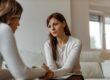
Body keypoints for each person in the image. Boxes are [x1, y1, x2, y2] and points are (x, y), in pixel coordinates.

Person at [0, 0, 52, 80]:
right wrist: (43, 70)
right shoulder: (3, 29)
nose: (18, 24)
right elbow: (22, 75)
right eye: (18, 18)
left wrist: (31, 71)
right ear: (11, 17)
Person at [44, 12, 84, 80]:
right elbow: (51, 67)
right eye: (49, 26)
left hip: (73, 76)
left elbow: (68, 68)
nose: (52, 28)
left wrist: (53, 74)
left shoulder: (76, 43)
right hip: (56, 76)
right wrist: (52, 74)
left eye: (55, 24)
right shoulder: (47, 44)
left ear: (63, 24)